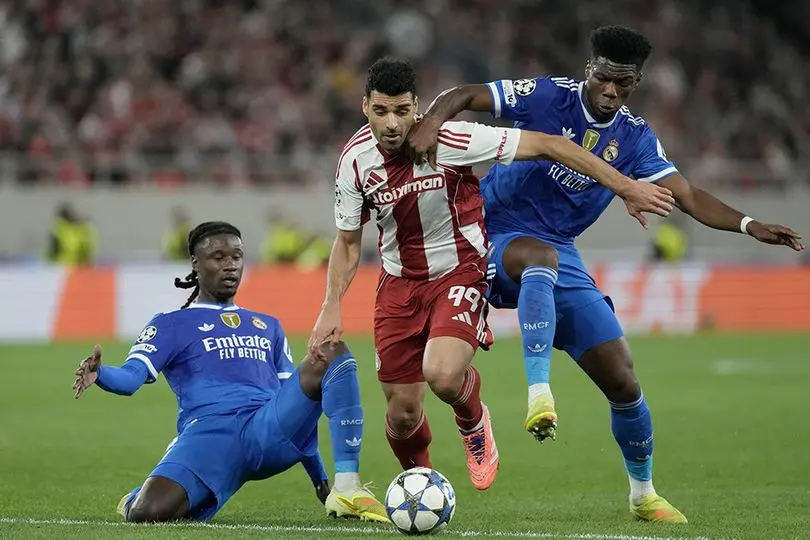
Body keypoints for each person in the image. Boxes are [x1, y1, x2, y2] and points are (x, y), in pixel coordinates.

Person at [407, 25, 805, 522]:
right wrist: (431, 120)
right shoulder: (548, 96)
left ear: (637, 83)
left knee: (623, 378)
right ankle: (539, 392)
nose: (611, 90)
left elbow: (687, 195)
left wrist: (749, 225)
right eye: (604, 78)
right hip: (491, 234)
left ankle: (643, 494)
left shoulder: (635, 138)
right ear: (588, 70)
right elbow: (466, 94)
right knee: (538, 259)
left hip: (559, 252)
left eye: (624, 83)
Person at [307, 57, 675, 492]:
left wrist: (625, 186)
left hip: (459, 271)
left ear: (417, 106)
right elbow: (349, 242)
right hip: (399, 282)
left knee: (443, 376)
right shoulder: (354, 161)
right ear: (365, 106)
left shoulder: (452, 139)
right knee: (402, 414)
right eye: (381, 111)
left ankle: (473, 418)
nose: (392, 123)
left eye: (402, 111)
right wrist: (331, 304)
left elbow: (550, 145)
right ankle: (421, 486)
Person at [71, 221, 388, 523]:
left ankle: (347, 487)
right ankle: (140, 495)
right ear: (196, 264)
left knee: (330, 351)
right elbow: (131, 378)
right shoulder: (170, 324)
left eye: (236, 257)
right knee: (146, 513)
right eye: (218, 257)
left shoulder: (268, 326)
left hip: (267, 429)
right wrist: (101, 373)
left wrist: (319, 477)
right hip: (210, 438)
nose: (230, 265)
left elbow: (299, 408)